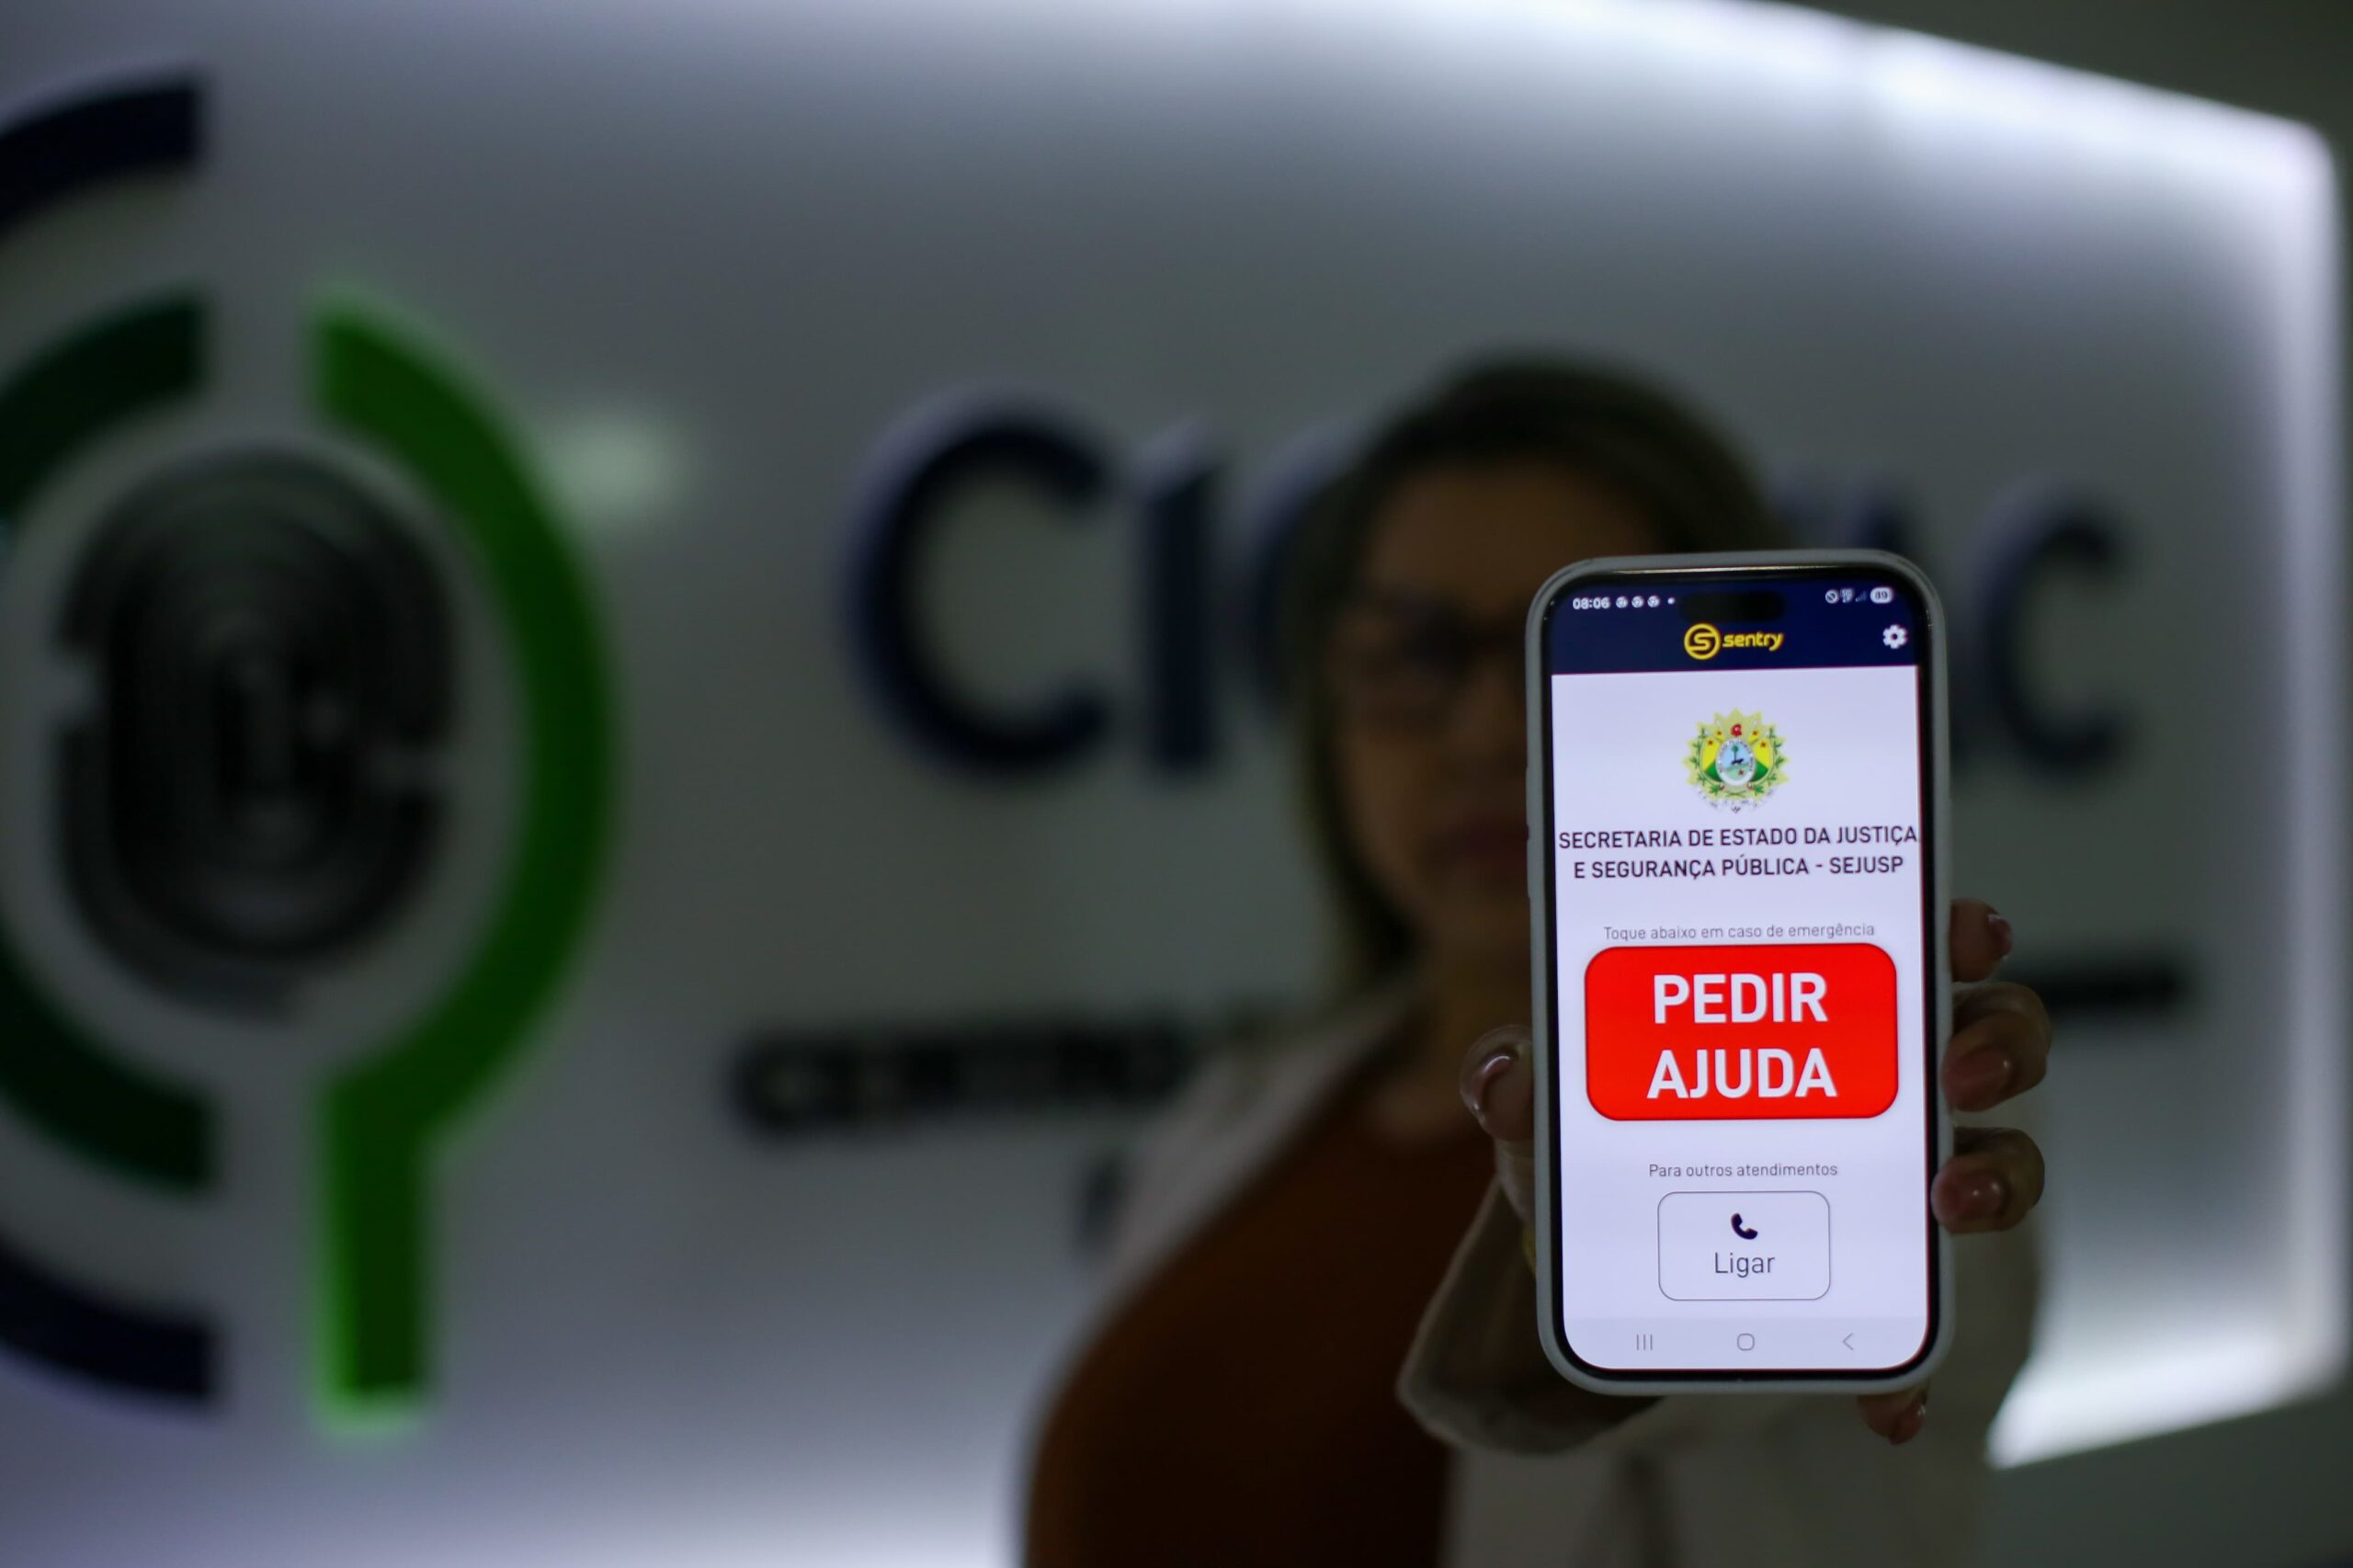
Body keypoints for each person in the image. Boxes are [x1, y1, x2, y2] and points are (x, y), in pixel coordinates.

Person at [1020, 360, 2045, 1567]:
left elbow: (1722, 1370)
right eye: (1411, 653)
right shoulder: (1235, 1114)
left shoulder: (1901, 1131)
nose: (1488, 733)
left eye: (1567, 654)